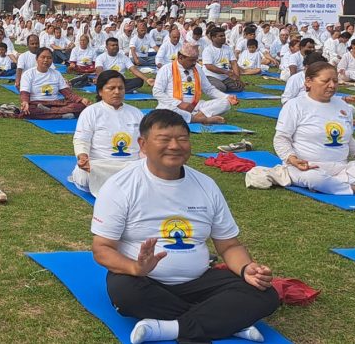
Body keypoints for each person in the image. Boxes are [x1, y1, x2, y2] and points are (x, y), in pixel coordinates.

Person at [92, 109, 279, 344]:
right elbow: (102, 248)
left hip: (199, 280)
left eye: (182, 139)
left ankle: (167, 328)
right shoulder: (120, 185)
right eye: (164, 139)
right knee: (127, 295)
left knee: (265, 295)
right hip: (145, 280)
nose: (175, 146)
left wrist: (246, 269)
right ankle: (224, 322)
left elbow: (229, 245)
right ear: (143, 144)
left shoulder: (206, 185)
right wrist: (136, 268)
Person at [274, 61, 355, 195]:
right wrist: (292, 159)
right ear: (308, 82)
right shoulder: (294, 105)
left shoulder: (343, 106)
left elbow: (347, 139)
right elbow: (281, 139)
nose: (331, 85)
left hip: (341, 168)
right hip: (307, 167)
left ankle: (337, 183)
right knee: (315, 179)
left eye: (335, 81)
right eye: (325, 81)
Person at [69, 71, 144, 193]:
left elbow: (145, 144)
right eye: (111, 88)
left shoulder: (136, 113)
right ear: (100, 91)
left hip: (130, 165)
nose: (117, 92)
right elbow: (82, 139)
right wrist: (83, 157)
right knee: (85, 176)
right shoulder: (91, 112)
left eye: (121, 88)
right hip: (100, 165)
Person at [152, 43, 238, 125]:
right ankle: (202, 119)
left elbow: (208, 89)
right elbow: (157, 92)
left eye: (195, 60)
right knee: (165, 112)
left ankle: (196, 117)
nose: (194, 63)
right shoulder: (166, 69)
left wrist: (226, 97)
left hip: (195, 107)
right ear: (181, 57)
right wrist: (179, 103)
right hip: (173, 107)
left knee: (225, 103)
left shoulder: (197, 68)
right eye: (191, 60)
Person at [18, 48, 89, 119]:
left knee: (81, 106)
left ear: (52, 60)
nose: (46, 60)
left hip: (55, 103)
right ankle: (61, 115)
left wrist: (81, 99)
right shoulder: (28, 74)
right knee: (29, 110)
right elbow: (24, 92)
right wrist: (25, 102)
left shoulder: (56, 74)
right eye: (43, 57)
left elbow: (67, 93)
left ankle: (50, 112)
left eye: (49, 58)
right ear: (37, 59)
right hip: (37, 103)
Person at [201, 27, 245, 93]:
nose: (224, 37)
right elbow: (209, 66)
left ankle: (221, 86)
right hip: (210, 76)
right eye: (221, 36)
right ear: (213, 38)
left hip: (224, 76)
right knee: (221, 88)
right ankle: (204, 85)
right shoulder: (208, 50)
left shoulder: (228, 48)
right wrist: (226, 72)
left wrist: (237, 78)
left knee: (239, 87)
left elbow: (234, 63)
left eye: (224, 35)